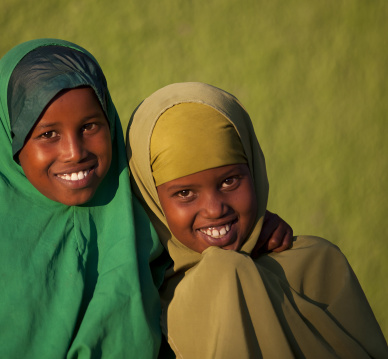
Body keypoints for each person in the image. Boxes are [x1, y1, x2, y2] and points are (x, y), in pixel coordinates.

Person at [0, 40, 291, 358]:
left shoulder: (129, 216)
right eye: (47, 134)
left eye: (91, 126)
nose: (74, 151)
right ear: (8, 142)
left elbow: (193, 242)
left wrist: (253, 236)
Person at [127, 82, 388, 358]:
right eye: (185, 193)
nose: (214, 210)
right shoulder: (137, 303)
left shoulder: (318, 267)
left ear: (254, 170)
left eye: (229, 181)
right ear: (149, 200)